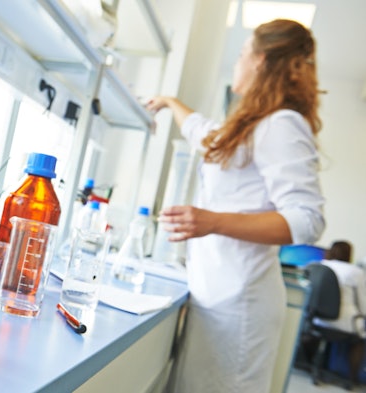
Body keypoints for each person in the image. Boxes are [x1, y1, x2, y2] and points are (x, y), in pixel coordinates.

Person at [146, 19, 325, 392]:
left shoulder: (282, 125)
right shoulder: (251, 126)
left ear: (260, 61)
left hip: (240, 305)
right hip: (216, 296)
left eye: (242, 53)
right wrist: (169, 102)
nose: (236, 62)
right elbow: (203, 134)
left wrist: (212, 221)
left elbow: (307, 219)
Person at [313, 240, 365, 384]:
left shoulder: (320, 265)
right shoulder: (356, 272)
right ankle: (352, 380)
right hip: (345, 324)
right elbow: (363, 305)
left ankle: (313, 366)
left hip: (316, 320)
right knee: (359, 340)